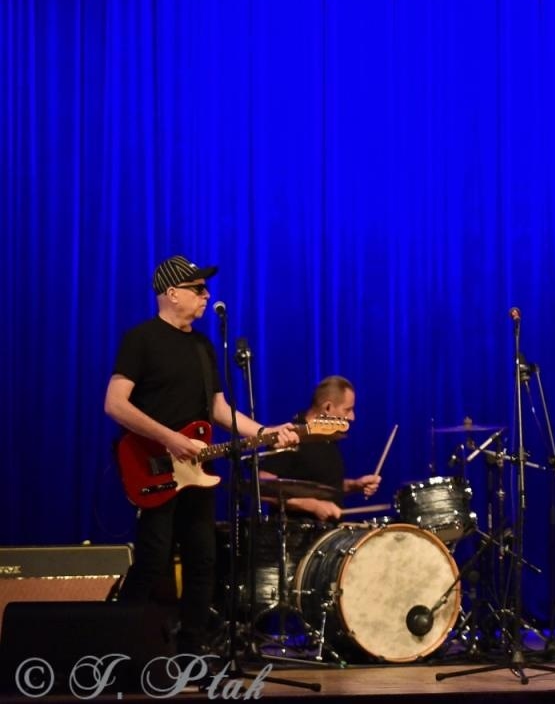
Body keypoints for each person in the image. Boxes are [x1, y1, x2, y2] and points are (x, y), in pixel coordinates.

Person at [104, 255, 300, 654]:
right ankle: (119, 648)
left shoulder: (202, 346)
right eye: (197, 289)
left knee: (203, 562)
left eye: (206, 289)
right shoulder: (141, 339)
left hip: (196, 469)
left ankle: (191, 655)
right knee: (153, 559)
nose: (207, 295)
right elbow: (115, 404)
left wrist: (266, 433)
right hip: (154, 466)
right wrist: (169, 439)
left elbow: (218, 409)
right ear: (171, 293)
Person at [259, 375, 381, 522]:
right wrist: (312, 506)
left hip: (329, 531)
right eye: (347, 410)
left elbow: (322, 487)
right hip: (298, 533)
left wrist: (355, 485)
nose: (352, 417)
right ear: (327, 408)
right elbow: (263, 489)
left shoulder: (328, 437)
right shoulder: (290, 437)